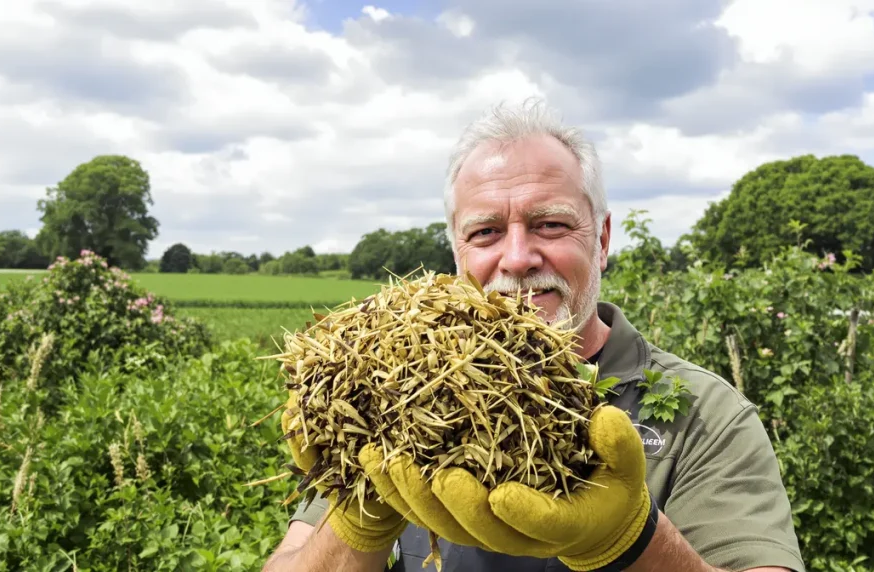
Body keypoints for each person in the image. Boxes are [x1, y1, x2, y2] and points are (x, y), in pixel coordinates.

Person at [262, 98, 806, 572]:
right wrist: (357, 523)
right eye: (486, 232)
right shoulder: (390, 391)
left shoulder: (706, 414)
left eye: (550, 223)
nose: (518, 259)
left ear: (603, 239)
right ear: (456, 252)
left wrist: (632, 541)